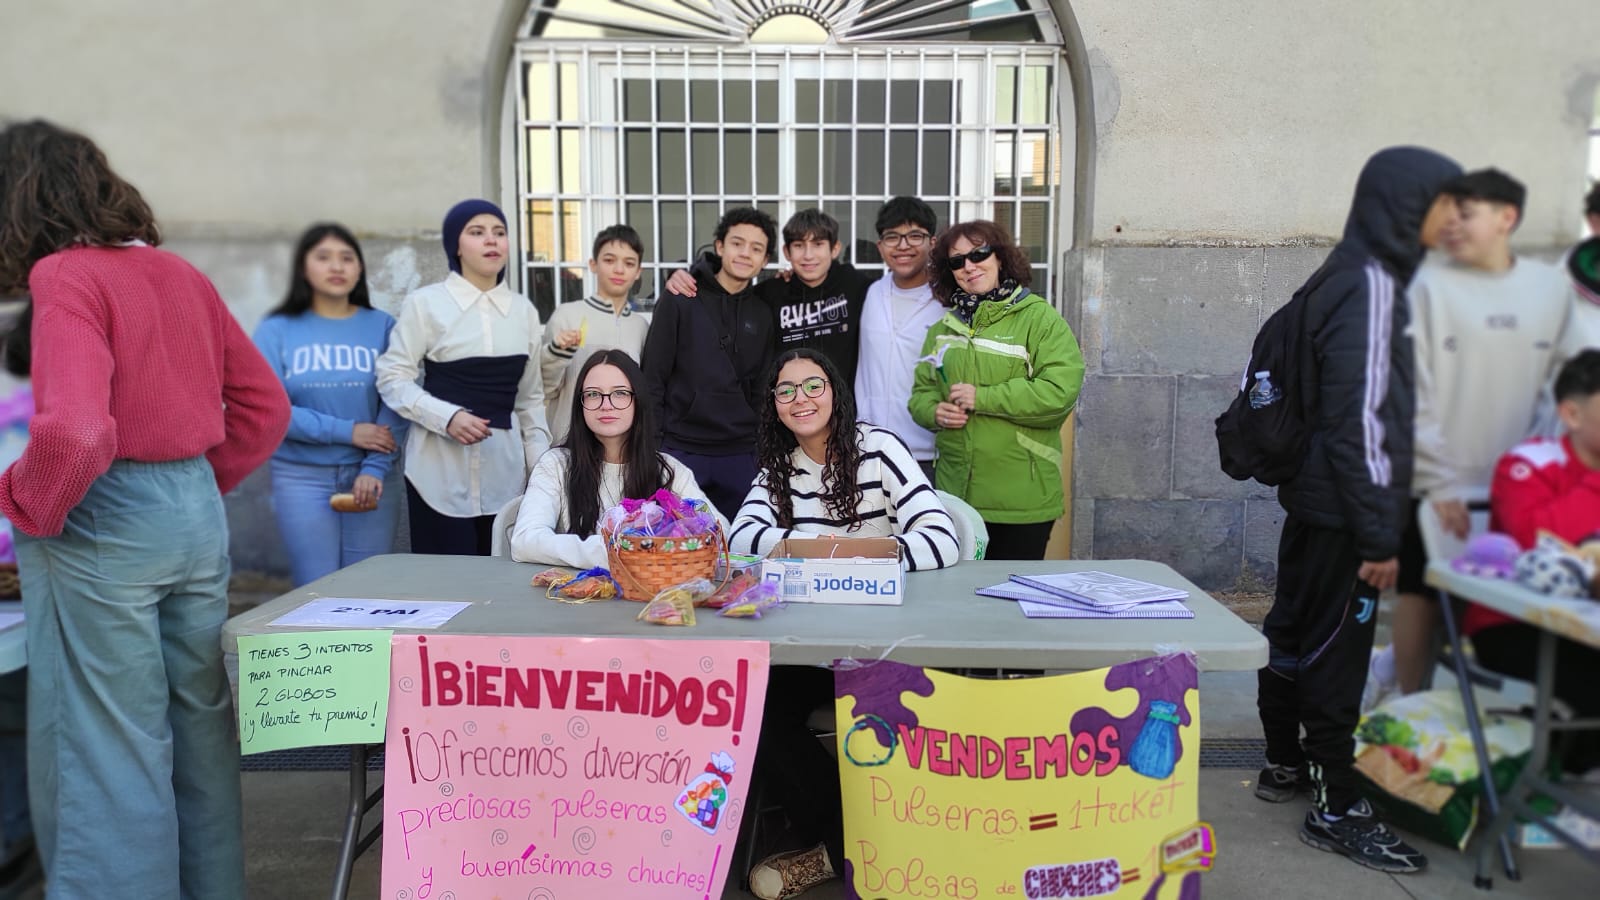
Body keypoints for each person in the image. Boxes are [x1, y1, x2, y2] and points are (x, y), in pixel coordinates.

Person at [0, 119, 290, 898]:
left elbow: (80, 430)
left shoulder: (64, 276)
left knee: (106, 743)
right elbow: (264, 407)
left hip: (104, 519)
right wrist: (191, 482)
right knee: (198, 726)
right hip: (194, 514)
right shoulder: (177, 273)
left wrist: (29, 505)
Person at [1251, 146, 1461, 876]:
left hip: (1315, 500)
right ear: (1405, 204)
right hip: (1347, 514)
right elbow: (1360, 423)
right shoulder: (1373, 287)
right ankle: (1338, 806)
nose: (1453, 220)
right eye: (1445, 203)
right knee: (1335, 654)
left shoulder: (1338, 272)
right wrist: (1381, 532)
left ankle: (1283, 763)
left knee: (1291, 633)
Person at [729, 347, 958, 900]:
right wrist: (828, 549)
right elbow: (740, 540)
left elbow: (941, 537)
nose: (800, 399)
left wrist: (850, 553)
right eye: (785, 391)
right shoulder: (779, 466)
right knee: (756, 711)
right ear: (774, 406)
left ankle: (826, 850)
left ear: (834, 390)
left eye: (812, 386)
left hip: (888, 646)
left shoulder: (877, 450)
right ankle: (850, 843)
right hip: (806, 649)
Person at [1380, 169, 1578, 700]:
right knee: (1422, 590)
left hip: (1520, 480)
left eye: (1466, 214)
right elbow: (1411, 392)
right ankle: (1409, 701)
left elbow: (1566, 385)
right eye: (1449, 213)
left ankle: (1468, 704)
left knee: (1497, 594)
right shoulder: (1428, 284)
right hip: (1439, 481)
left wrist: (1545, 468)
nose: (1453, 225)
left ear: (1506, 218)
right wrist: (1438, 481)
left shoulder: (1549, 288)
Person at [376, 199, 550, 555]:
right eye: (477, 232)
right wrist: (446, 417)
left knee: (501, 589)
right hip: (435, 477)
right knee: (444, 590)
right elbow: (392, 377)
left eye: (499, 232)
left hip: (506, 478)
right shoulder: (424, 304)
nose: (492, 241)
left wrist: (542, 467)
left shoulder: (524, 313)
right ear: (456, 245)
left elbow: (530, 399)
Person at [907, 219, 1084, 561]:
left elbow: (1060, 392)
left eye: (979, 254)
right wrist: (934, 412)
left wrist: (983, 397)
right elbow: (921, 394)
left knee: (1010, 605)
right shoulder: (943, 328)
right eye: (957, 261)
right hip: (957, 498)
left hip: (1021, 499)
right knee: (960, 606)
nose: (969, 266)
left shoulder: (1039, 319)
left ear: (1000, 257)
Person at [253, 223, 407, 587]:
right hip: (300, 478)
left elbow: (399, 399)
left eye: (347, 258)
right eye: (323, 258)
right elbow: (269, 408)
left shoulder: (383, 326)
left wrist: (375, 466)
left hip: (372, 478)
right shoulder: (277, 330)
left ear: (360, 270)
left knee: (369, 591)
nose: (336, 267)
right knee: (314, 591)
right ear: (303, 267)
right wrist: (349, 432)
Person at [1472, 349, 1600, 773]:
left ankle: (1567, 765)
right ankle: (1557, 774)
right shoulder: (1528, 464)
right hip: (1516, 625)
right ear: (1572, 413)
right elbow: (1538, 543)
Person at [510, 350, 719, 568]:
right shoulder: (556, 465)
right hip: (576, 595)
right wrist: (610, 552)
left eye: (619, 393)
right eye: (592, 394)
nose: (606, 404)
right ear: (580, 405)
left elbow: (719, 530)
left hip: (652, 596)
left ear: (638, 401)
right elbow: (525, 540)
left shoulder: (668, 470)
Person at [641, 207, 777, 519]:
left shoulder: (762, 312)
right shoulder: (680, 297)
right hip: (681, 449)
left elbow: (761, 390)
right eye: (737, 243)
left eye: (756, 249)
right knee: (675, 546)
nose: (745, 253)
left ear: (765, 260)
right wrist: (654, 449)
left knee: (740, 548)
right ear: (719, 246)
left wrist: (758, 448)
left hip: (740, 453)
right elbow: (653, 378)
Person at [855, 197, 943, 482]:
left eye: (915, 235)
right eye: (892, 237)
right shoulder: (869, 293)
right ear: (880, 246)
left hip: (930, 454)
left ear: (933, 242)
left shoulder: (948, 302)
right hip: (871, 450)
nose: (903, 246)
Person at [539, 225, 651, 443]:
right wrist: (555, 353)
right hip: (570, 446)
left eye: (629, 263)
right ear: (593, 264)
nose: (619, 270)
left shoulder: (640, 327)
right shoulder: (567, 315)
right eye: (609, 260)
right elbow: (543, 390)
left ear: (638, 271)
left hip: (623, 452)